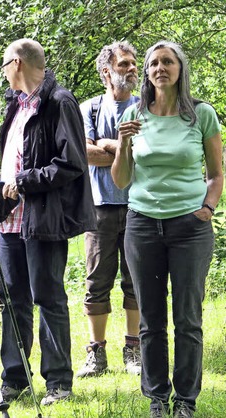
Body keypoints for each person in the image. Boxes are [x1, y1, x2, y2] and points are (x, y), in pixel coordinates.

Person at [111, 41, 223, 418]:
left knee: (188, 318)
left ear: (180, 69)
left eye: (168, 62)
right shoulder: (133, 113)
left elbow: (217, 173)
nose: (161, 68)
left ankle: (186, 401)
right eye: (154, 63)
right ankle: (157, 397)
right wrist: (123, 143)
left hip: (190, 227)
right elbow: (122, 180)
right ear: (145, 72)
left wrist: (207, 207)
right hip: (142, 225)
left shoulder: (202, 115)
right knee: (150, 318)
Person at [0, 39, 95, 406]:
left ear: (16, 63)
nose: (4, 72)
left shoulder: (60, 102)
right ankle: (14, 380)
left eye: (4, 65)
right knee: (12, 299)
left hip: (44, 217)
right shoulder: (16, 105)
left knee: (48, 297)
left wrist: (23, 181)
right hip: (11, 220)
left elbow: (71, 163)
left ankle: (58, 382)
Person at [76, 41, 141, 378]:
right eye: (124, 64)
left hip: (139, 207)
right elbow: (83, 153)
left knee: (137, 281)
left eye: (133, 64)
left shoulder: (145, 107)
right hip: (98, 208)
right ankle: (96, 354)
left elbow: (146, 153)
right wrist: (123, 149)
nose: (131, 69)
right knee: (96, 281)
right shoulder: (89, 108)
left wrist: (106, 143)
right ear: (106, 71)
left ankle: (133, 348)